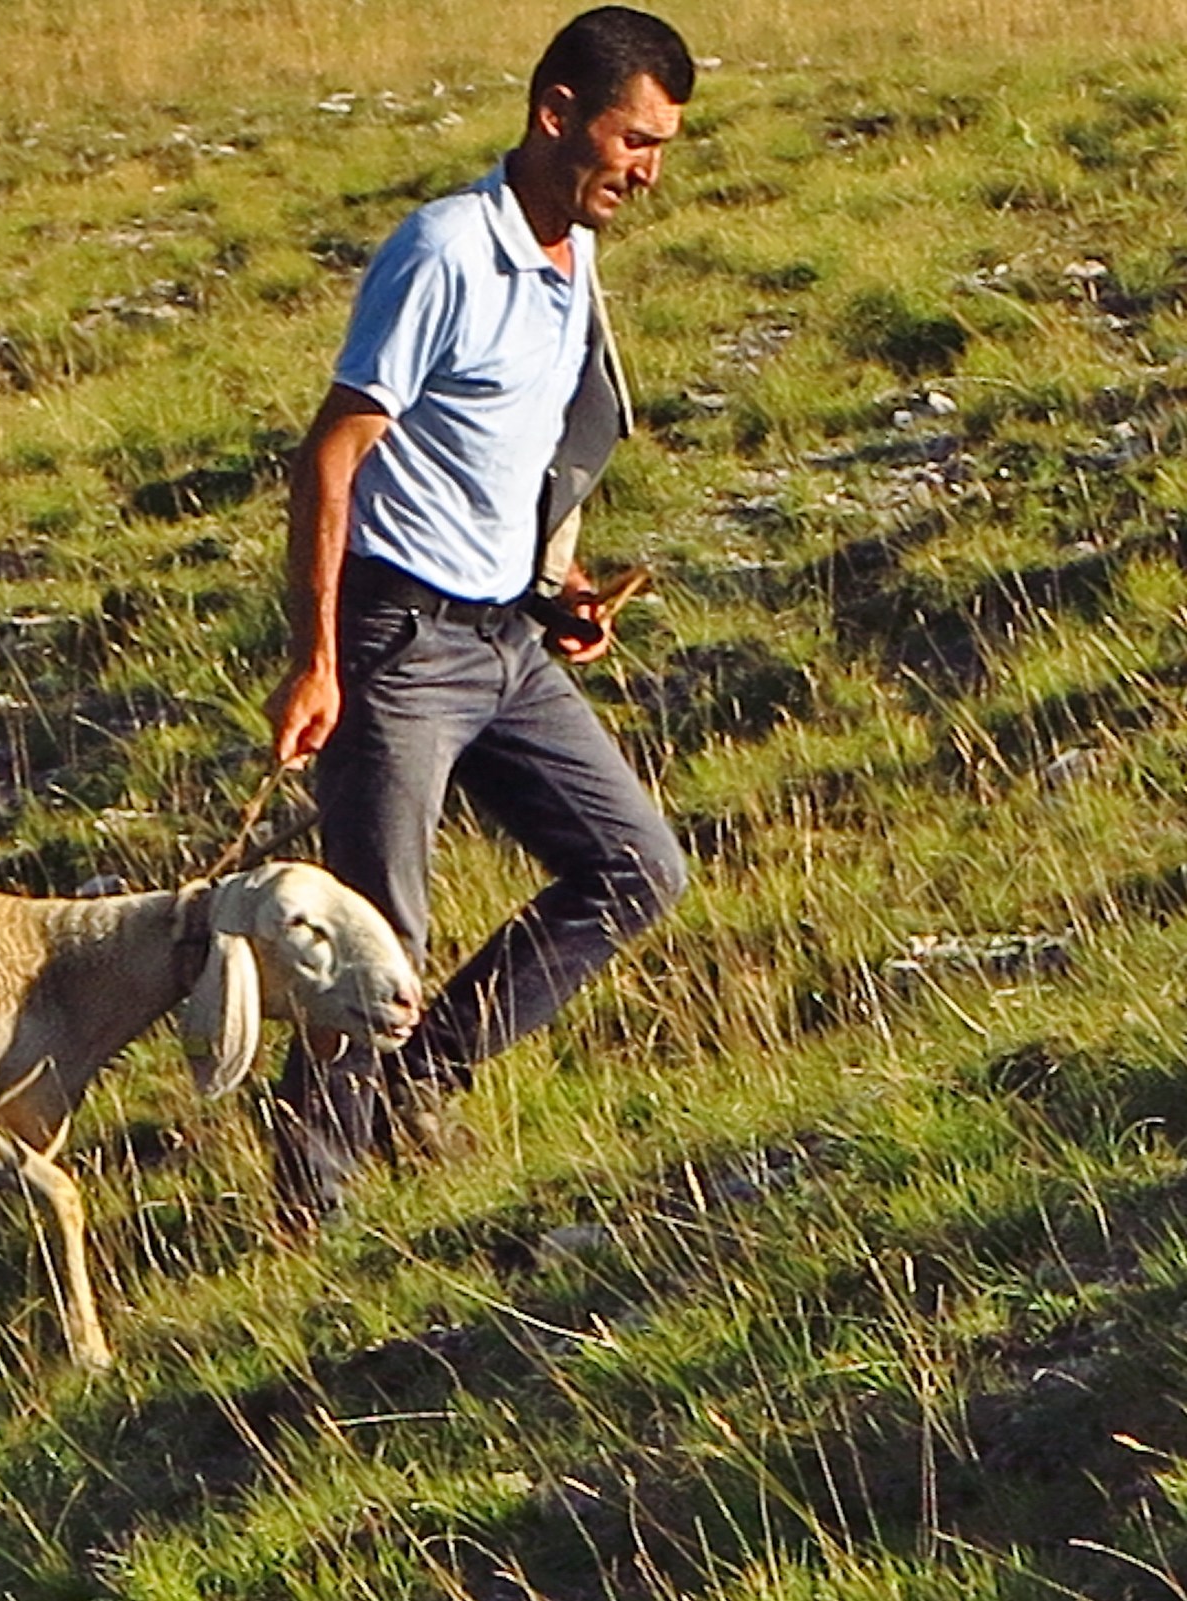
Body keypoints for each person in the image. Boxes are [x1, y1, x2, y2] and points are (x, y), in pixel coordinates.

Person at [264, 6, 695, 1228]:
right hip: (395, 640)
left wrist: (557, 582)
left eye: (662, 146)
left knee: (636, 866)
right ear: (556, 113)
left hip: (506, 637)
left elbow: (518, 445)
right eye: (633, 140)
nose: (647, 169)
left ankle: (423, 1080)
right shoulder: (446, 249)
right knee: (377, 935)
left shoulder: (575, 256)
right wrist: (317, 657)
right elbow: (331, 454)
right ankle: (315, 1214)